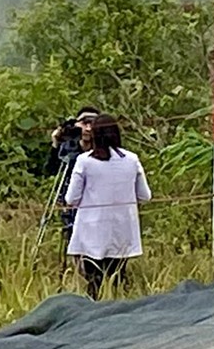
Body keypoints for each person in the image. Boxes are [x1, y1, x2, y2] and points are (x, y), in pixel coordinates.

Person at [64, 114, 151, 300]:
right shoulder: (132, 159)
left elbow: (71, 198)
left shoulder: (84, 161)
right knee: (118, 279)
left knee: (93, 284)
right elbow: (145, 195)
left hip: (91, 231)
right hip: (122, 230)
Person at [45, 106, 99, 250]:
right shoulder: (68, 148)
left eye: (92, 124)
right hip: (72, 203)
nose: (88, 128)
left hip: (97, 203)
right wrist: (56, 143)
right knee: (73, 240)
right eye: (84, 123)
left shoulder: (104, 150)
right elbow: (51, 170)